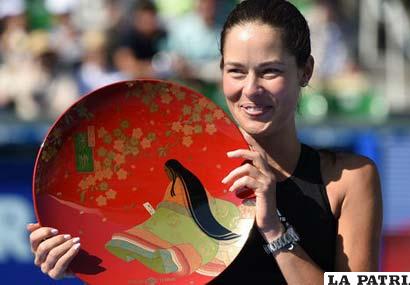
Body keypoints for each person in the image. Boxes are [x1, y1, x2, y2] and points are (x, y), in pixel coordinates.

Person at [27, 0, 382, 283]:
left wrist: (274, 227)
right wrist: (87, 265)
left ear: (305, 71)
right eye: (236, 71)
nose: (250, 89)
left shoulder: (350, 178)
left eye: (270, 71)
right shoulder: (180, 177)